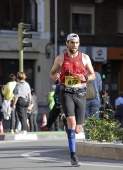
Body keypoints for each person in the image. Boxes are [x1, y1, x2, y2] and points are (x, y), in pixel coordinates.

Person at [49, 33, 95, 167]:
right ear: (67, 44)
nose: (74, 45)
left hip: (80, 93)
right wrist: (54, 75)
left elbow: (92, 74)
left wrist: (85, 78)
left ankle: (65, 119)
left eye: (76, 43)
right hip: (66, 92)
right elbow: (51, 72)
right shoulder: (60, 58)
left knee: (78, 130)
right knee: (71, 121)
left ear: (79, 44)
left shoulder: (85, 58)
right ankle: (73, 155)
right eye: (72, 43)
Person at [85, 70, 102, 139]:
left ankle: (88, 137)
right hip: (95, 98)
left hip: (85, 99)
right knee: (95, 119)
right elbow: (100, 88)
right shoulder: (97, 74)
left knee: (86, 119)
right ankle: (94, 136)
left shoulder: (82, 74)